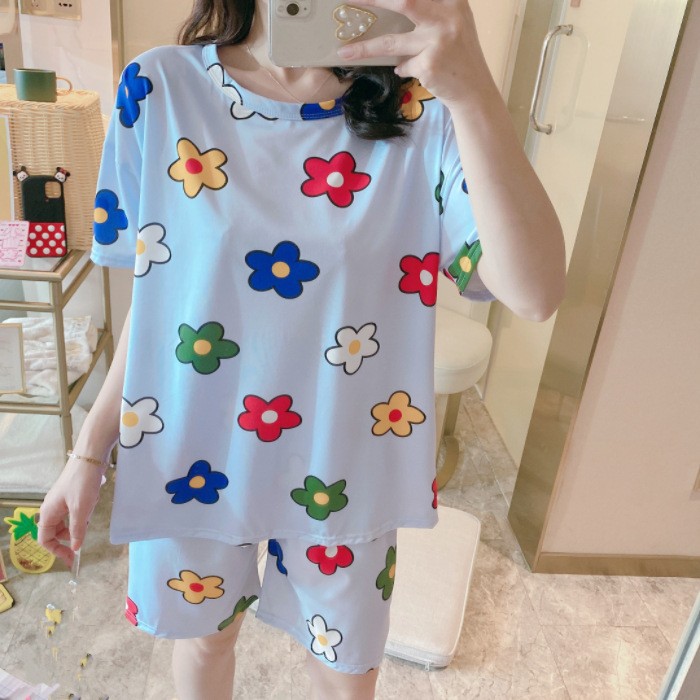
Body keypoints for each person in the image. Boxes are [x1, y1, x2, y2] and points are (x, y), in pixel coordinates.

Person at [37, 0, 566, 697]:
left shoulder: (422, 112)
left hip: (346, 463)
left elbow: (535, 293)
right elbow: (161, 301)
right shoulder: (159, 88)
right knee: (205, 643)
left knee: (345, 673)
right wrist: (88, 454)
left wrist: (474, 91)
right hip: (194, 452)